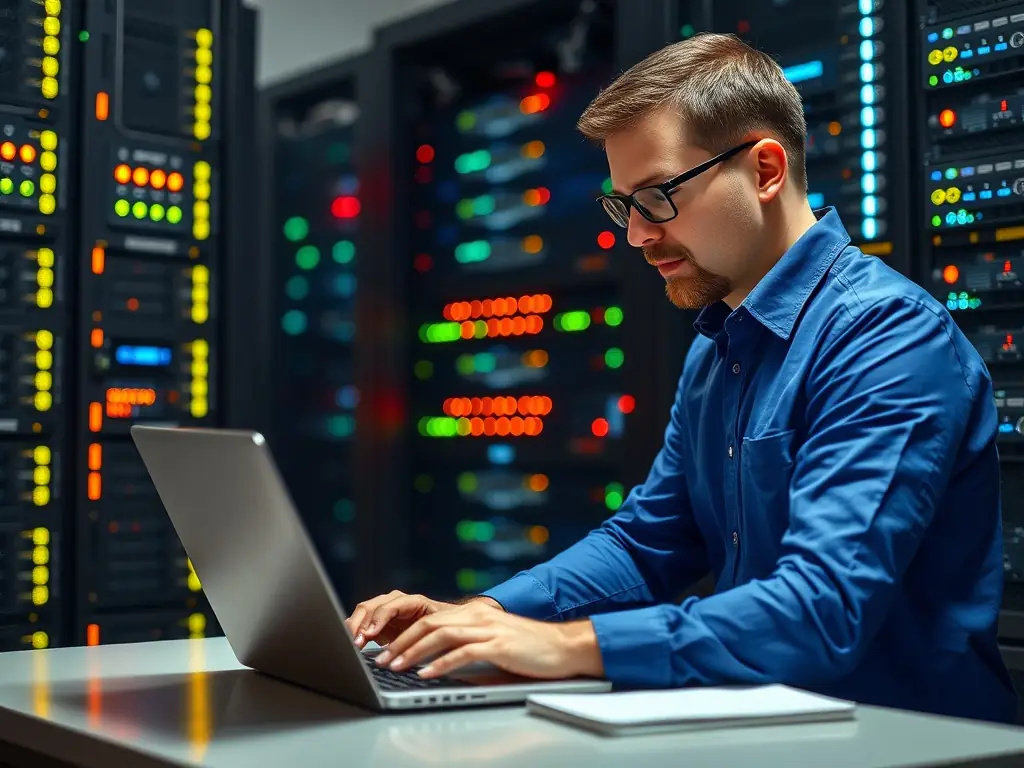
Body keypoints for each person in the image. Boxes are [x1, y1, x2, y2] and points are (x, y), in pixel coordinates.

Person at [344, 33, 1017, 723]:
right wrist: (484, 615)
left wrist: (566, 646)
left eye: (657, 196)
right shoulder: (719, 343)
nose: (636, 235)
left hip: (906, 744)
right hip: (772, 732)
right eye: (623, 205)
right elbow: (647, 543)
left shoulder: (885, 337)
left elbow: (820, 610)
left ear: (764, 170)